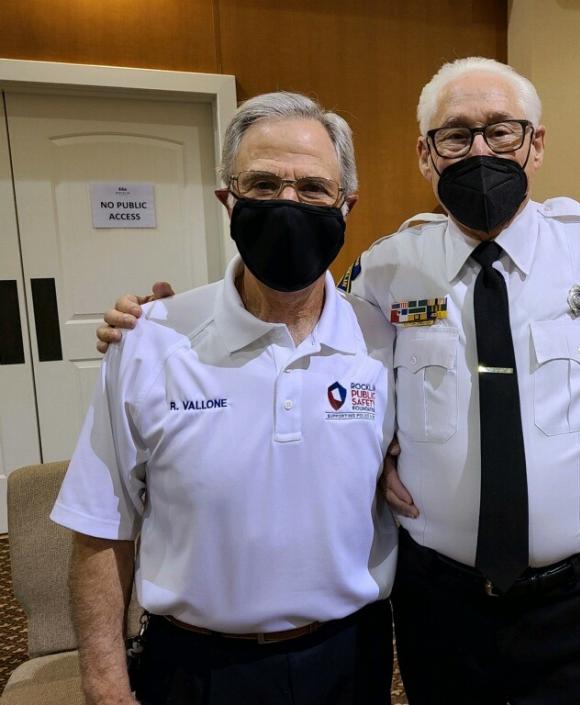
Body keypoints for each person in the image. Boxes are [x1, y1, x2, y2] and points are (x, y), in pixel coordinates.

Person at [98, 59, 580, 705]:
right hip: (439, 602)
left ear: (537, 143)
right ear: (427, 155)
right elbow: (305, 331)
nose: (480, 149)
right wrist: (159, 316)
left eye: (501, 130)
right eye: (456, 135)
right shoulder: (387, 270)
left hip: (579, 602)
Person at [52, 92, 397, 705]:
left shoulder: (383, 341)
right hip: (195, 668)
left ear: (346, 205)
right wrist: (105, 687)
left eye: (313, 189)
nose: (288, 203)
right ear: (227, 200)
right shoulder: (150, 340)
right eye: (262, 184)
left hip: (350, 659)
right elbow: (101, 530)